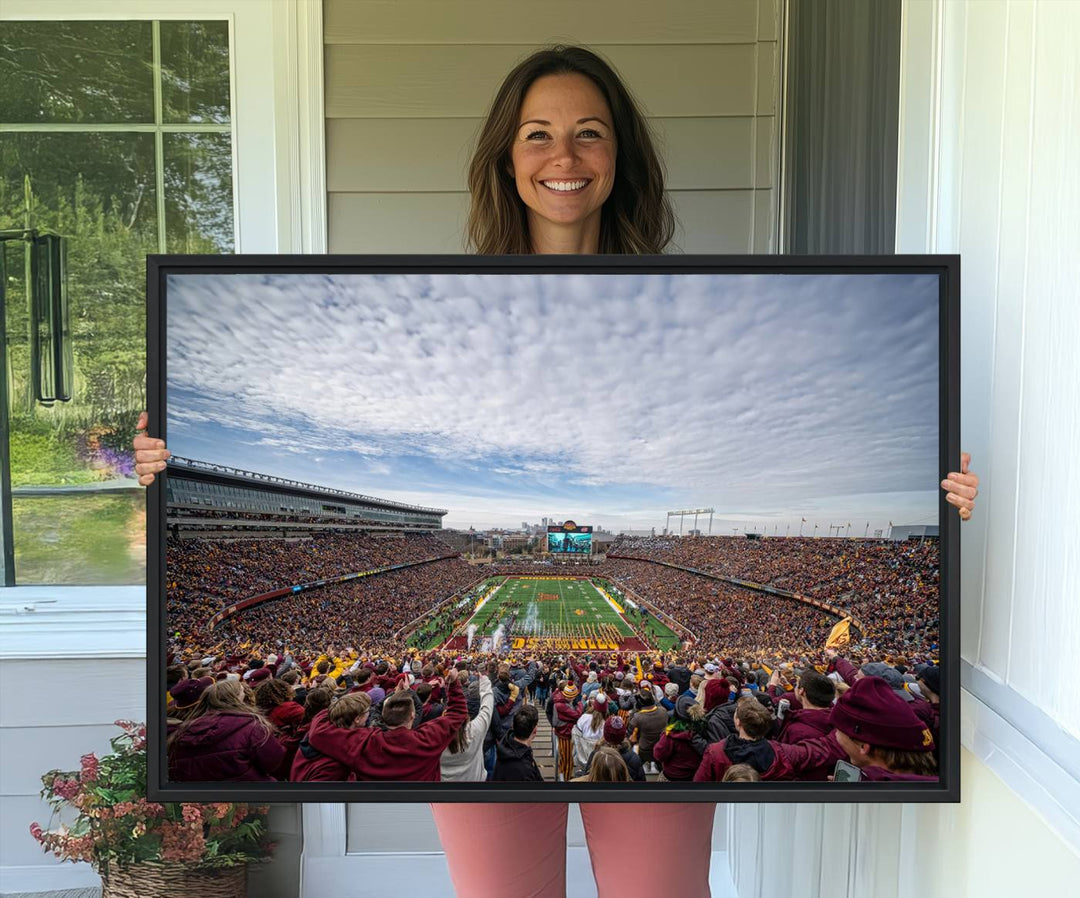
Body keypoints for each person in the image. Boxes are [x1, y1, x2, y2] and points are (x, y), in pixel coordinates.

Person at [135, 42, 979, 898]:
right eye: (537, 134)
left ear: (622, 157)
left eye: (590, 133)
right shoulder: (454, 297)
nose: (564, 157)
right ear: (506, 158)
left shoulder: (680, 307)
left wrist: (941, 503)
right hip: (521, 737)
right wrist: (157, 472)